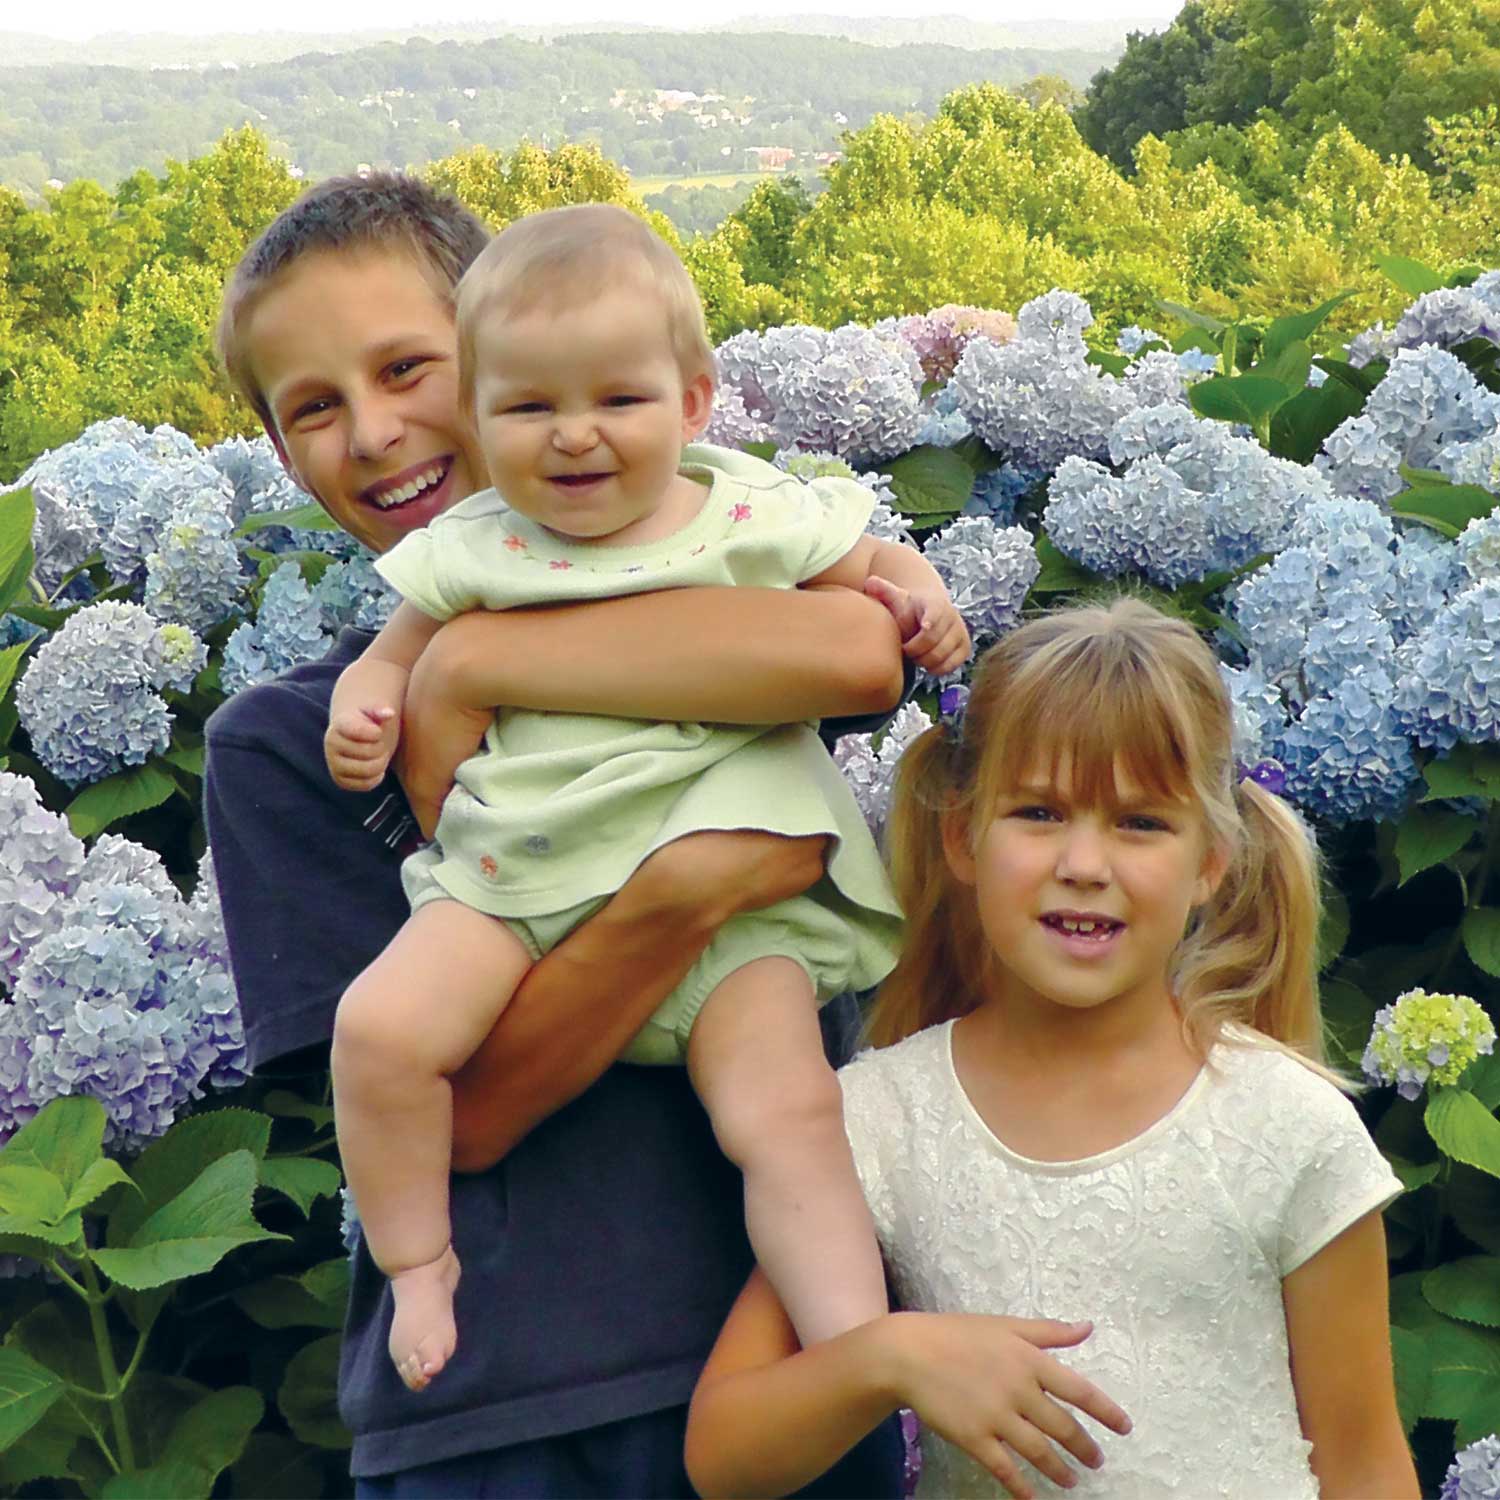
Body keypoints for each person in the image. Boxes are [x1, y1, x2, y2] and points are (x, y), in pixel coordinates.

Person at [206, 171, 908, 1496]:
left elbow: (864, 653)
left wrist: (472, 667)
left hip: (778, 1365)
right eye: (312, 408)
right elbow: (457, 1118)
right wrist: (680, 896)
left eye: (406, 366)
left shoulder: (720, 549)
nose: (371, 432)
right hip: (492, 1413)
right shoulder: (280, 748)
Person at [324, 201, 972, 1391]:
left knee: (785, 1117)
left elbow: (869, 577)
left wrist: (921, 594)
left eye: (615, 401)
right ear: (478, 419)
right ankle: (420, 1261)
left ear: (691, 402)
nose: (573, 439)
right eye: (528, 408)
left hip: (735, 884)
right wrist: (365, 704)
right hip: (520, 874)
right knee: (377, 1033)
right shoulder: (479, 546)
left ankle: (854, 1350)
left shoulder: (748, 510)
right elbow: (396, 653)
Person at [686, 598, 1420, 1500]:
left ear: (1210, 863)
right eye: (1038, 811)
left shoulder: (1292, 1130)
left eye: (1140, 823)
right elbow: (724, 1454)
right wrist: (890, 1356)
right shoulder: (881, 1118)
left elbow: (1365, 1463)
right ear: (962, 837)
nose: (1084, 861)